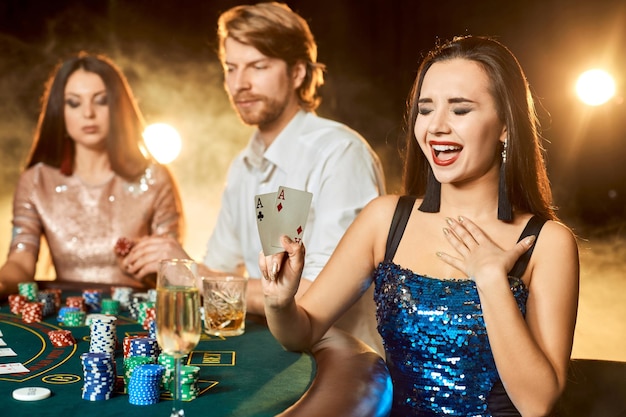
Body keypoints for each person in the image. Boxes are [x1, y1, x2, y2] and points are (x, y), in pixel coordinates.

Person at [260, 35, 580, 416]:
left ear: (506, 126)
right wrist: (280, 302)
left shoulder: (548, 242)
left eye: (460, 110)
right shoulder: (384, 219)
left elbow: (538, 403)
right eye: (425, 110)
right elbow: (302, 332)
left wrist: (491, 279)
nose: (436, 126)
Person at [123, 2, 386, 355]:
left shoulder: (339, 153)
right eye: (231, 68)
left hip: (342, 363)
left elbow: (310, 296)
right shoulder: (242, 166)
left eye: (258, 67)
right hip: (275, 354)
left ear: (297, 73)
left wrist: (195, 276)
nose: (239, 83)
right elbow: (218, 272)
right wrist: (177, 266)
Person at [0, 53, 183, 299]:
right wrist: (2, 283)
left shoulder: (154, 178)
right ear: (59, 110)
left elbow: (173, 272)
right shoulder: (35, 181)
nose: (88, 113)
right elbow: (21, 261)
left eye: (101, 101)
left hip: (136, 314)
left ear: (117, 106)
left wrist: (150, 268)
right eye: (74, 103)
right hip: (64, 312)